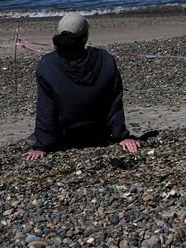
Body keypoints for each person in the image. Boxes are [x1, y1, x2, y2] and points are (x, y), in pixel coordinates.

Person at [23, 14, 140, 160]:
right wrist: (121, 135)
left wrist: (41, 145)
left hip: (68, 137)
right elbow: (114, 103)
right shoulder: (105, 59)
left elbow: (45, 108)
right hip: (98, 134)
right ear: (85, 36)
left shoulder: (47, 64)